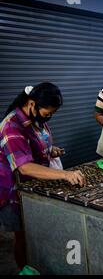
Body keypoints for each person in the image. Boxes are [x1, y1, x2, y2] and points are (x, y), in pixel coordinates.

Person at [0, 83, 86, 269]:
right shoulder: (11, 126)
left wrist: (50, 151)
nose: (49, 117)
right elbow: (24, 167)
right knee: (23, 237)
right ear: (31, 104)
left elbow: (34, 146)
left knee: (37, 232)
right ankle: (25, 269)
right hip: (13, 192)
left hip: (34, 186)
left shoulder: (37, 119)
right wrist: (64, 174)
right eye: (47, 113)